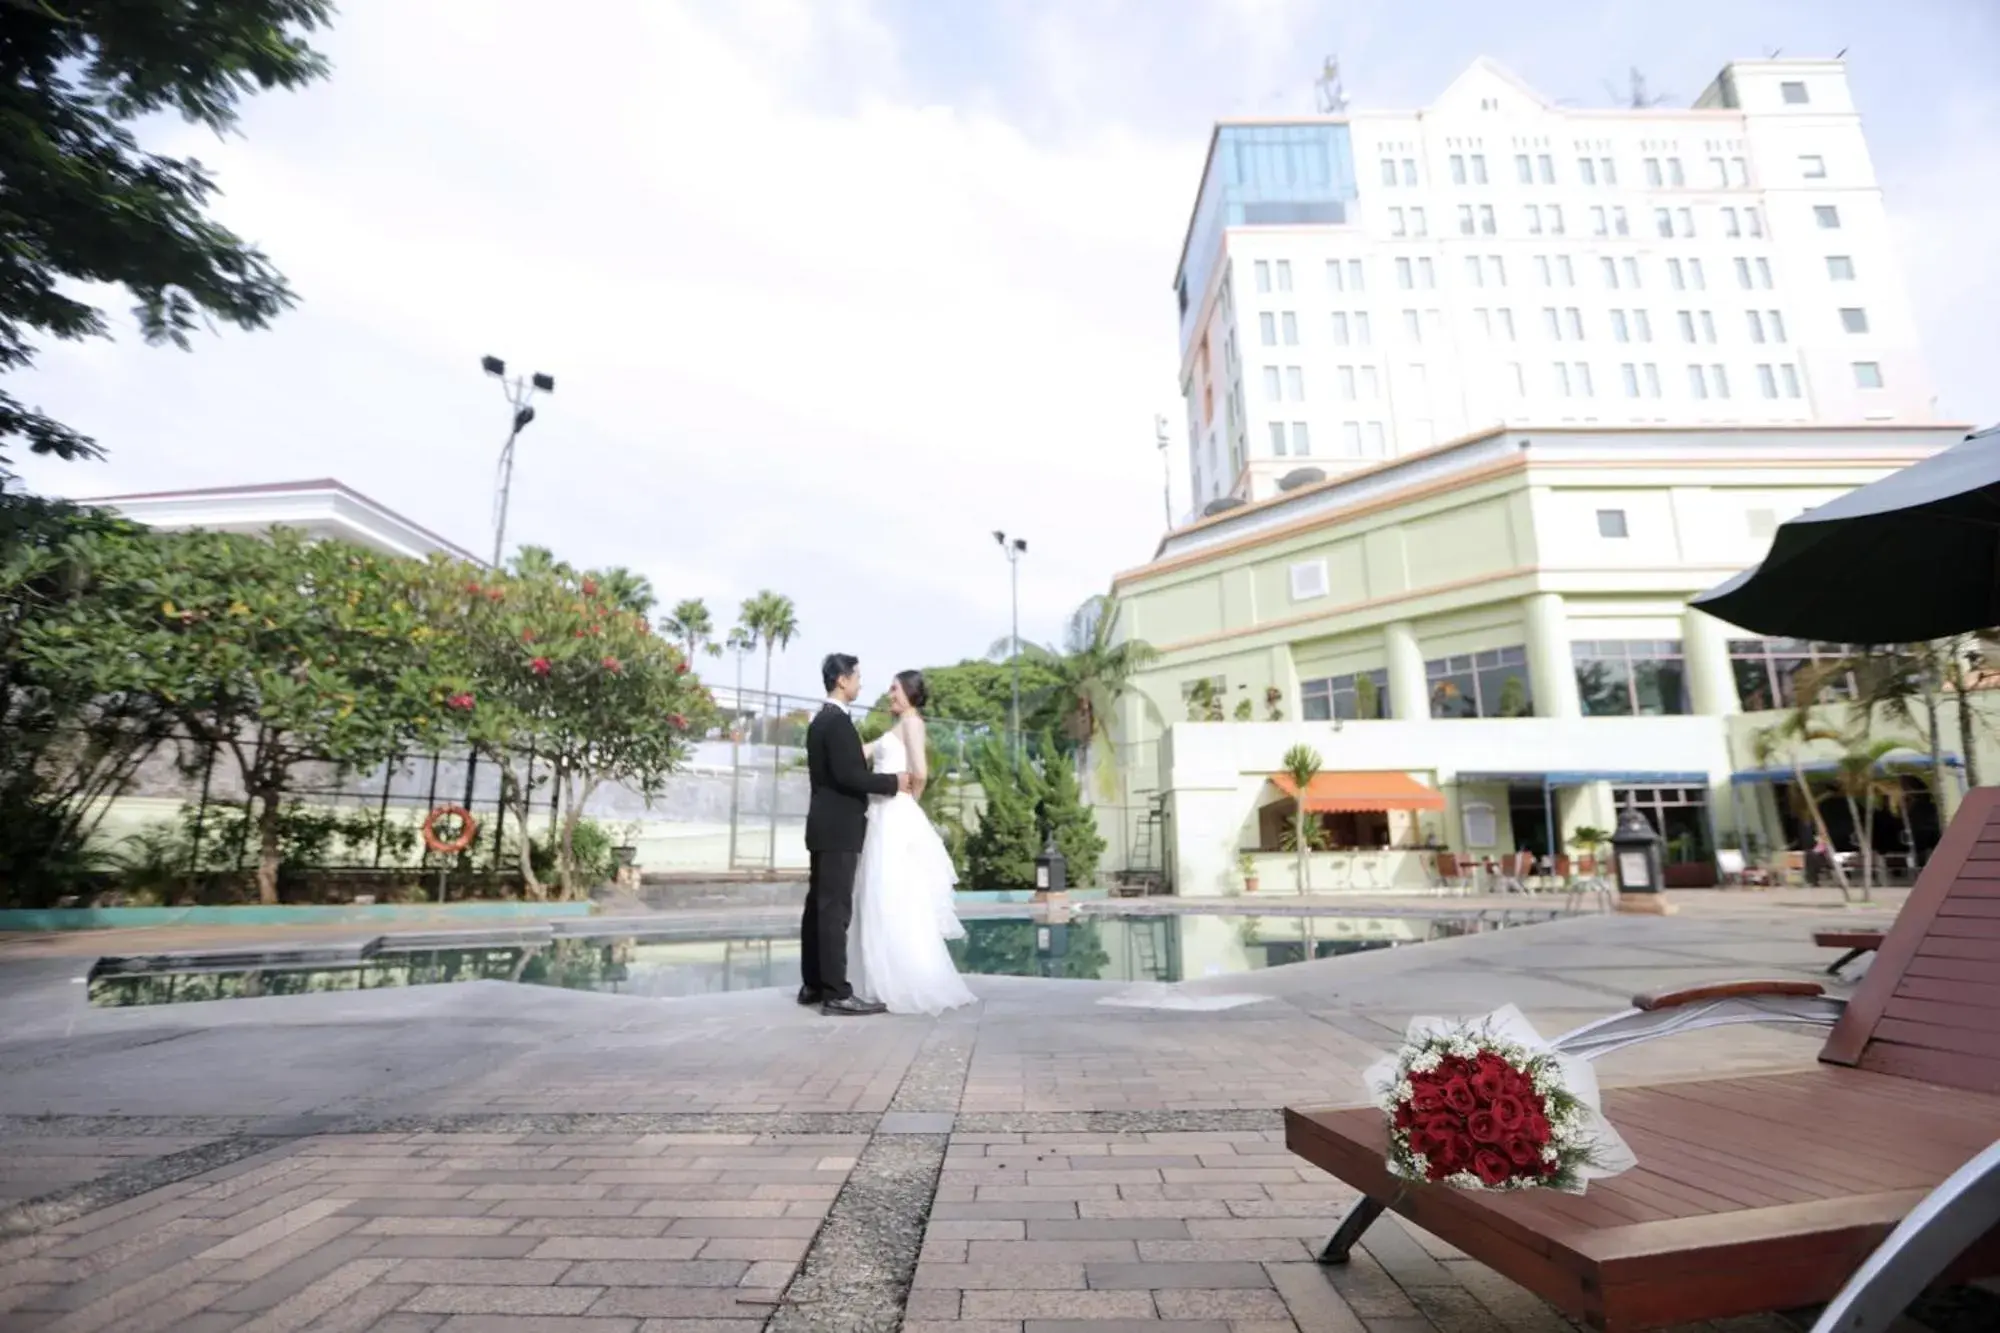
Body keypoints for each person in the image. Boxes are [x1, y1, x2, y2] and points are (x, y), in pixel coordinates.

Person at [847, 669, 977, 1016]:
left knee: (894, 892)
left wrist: (908, 804)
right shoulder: (897, 726)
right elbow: (861, 752)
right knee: (879, 893)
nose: (890, 694)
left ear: (909, 692)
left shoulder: (913, 724)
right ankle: (879, 978)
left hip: (894, 815)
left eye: (895, 689)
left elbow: (920, 771)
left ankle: (904, 979)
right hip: (880, 816)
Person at [801, 654, 911, 1017]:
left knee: (818, 907)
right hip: (838, 828)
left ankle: (814, 984)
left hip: (822, 825)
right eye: (857, 676)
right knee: (835, 910)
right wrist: (893, 782)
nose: (860, 683)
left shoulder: (820, 720)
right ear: (842, 680)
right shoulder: (837, 723)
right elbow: (850, 776)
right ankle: (837, 992)